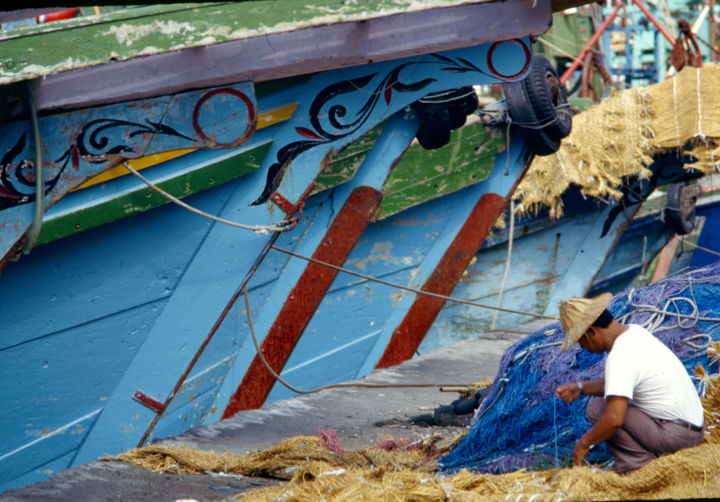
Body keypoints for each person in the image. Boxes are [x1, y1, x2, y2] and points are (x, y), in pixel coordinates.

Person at [555, 292, 704, 472]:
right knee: (607, 405)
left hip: (676, 436)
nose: (583, 348)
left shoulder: (619, 356)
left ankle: (639, 468)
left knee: (597, 409)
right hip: (694, 431)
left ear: (592, 332)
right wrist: (581, 388)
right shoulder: (634, 332)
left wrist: (583, 444)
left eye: (582, 342)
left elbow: (614, 419)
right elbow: (620, 384)